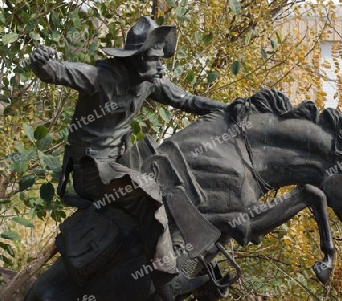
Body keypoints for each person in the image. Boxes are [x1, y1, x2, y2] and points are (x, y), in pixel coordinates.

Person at [29, 16, 227, 300]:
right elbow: (56, 71)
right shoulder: (100, 77)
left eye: (161, 59)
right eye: (153, 58)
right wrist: (42, 61)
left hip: (119, 162)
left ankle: (200, 262)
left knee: (171, 175)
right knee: (148, 191)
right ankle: (165, 278)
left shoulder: (150, 81)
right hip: (89, 170)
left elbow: (189, 101)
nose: (160, 66)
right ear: (135, 57)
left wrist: (233, 107)